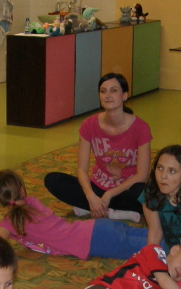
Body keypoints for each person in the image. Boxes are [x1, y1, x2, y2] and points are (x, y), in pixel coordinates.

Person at [44, 73, 151, 222]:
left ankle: (95, 208)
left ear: (125, 95)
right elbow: (81, 169)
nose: (108, 95)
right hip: (98, 186)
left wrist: (109, 195)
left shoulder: (141, 128)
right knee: (53, 180)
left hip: (126, 189)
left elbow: (142, 175)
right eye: (103, 91)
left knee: (147, 193)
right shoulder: (89, 125)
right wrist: (90, 196)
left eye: (114, 90)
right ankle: (109, 210)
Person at [0, 169, 148, 260]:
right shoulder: (32, 202)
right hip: (96, 226)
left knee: (150, 249)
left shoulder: (10, 222)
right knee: (148, 235)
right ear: (21, 189)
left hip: (92, 242)